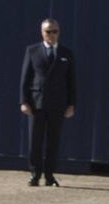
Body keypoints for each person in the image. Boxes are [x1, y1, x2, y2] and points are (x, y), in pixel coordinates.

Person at [19, 18, 75, 187]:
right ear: (42, 32)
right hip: (37, 103)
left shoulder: (66, 53)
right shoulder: (32, 51)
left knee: (53, 141)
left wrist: (71, 104)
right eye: (48, 31)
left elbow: (71, 81)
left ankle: (50, 176)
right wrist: (24, 101)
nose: (51, 35)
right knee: (35, 141)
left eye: (54, 31)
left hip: (57, 104)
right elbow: (25, 78)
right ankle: (35, 174)